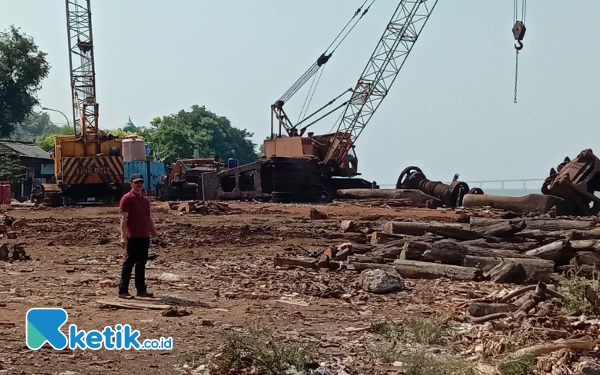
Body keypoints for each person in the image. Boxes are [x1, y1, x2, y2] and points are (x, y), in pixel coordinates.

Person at [118, 173, 157, 299]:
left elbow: (148, 218)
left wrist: (154, 233)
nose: (139, 185)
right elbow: (123, 219)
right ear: (131, 184)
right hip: (133, 236)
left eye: (141, 182)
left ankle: (141, 290)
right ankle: (123, 291)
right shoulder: (127, 198)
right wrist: (123, 237)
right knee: (129, 263)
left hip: (144, 236)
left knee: (141, 263)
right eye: (136, 183)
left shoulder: (145, 200)